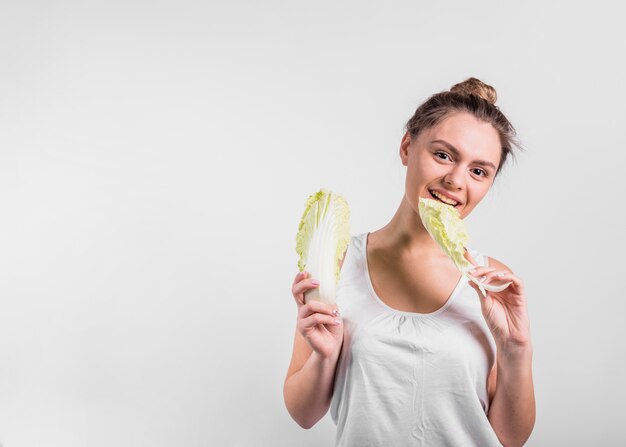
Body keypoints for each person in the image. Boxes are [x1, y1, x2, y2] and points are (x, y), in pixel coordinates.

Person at [283, 77, 535, 447]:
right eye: (444, 155)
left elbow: (509, 439)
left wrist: (516, 349)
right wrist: (324, 356)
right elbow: (303, 414)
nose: (455, 180)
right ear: (406, 147)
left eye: (478, 171)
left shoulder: (491, 282)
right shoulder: (335, 263)